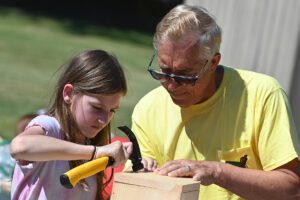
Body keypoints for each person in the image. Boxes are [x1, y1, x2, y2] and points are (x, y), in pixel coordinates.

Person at [132, 4, 300, 200]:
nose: (171, 85)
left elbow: (292, 187)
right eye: (163, 71)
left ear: (213, 62)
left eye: (185, 75)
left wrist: (217, 171)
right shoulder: (147, 109)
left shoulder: (263, 94)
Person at [10, 49, 133, 200]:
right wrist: (95, 152)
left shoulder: (91, 142)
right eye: (96, 108)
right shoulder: (50, 127)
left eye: (112, 110)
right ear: (68, 93)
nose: (103, 120)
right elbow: (20, 146)